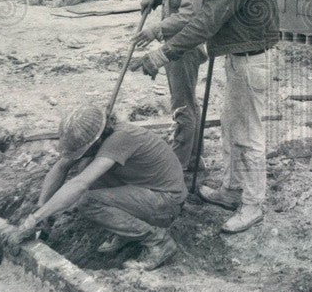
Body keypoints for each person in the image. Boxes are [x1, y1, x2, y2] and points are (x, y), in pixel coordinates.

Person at [130, 0, 279, 235]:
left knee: (249, 134)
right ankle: (231, 188)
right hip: (241, 57)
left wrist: (161, 54)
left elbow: (205, 21)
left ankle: (253, 204)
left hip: (251, 60)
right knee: (229, 123)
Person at [15, 103, 186, 270]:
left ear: (96, 140)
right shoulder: (103, 135)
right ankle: (127, 231)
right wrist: (41, 207)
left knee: (88, 201)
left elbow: (80, 184)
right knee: (85, 166)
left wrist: (35, 219)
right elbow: (61, 166)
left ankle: (159, 242)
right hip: (144, 187)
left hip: (166, 201)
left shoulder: (120, 138)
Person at [137, 0, 210, 168]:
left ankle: (177, 166)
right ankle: (193, 158)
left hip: (185, 47)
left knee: (182, 108)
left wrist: (154, 31)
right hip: (175, 45)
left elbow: (189, 15)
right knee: (187, 103)